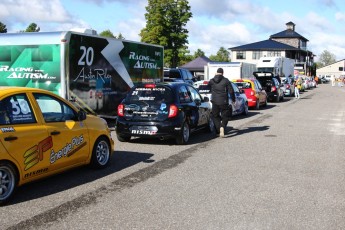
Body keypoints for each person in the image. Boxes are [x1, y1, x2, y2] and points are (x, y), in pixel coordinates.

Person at [207, 68, 235, 137]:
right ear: (223, 73)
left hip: (214, 101)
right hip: (224, 101)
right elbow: (231, 91)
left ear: (216, 72)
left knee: (215, 116)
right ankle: (222, 126)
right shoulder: (226, 80)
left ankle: (218, 130)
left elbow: (208, 88)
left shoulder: (212, 80)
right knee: (226, 116)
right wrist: (233, 99)